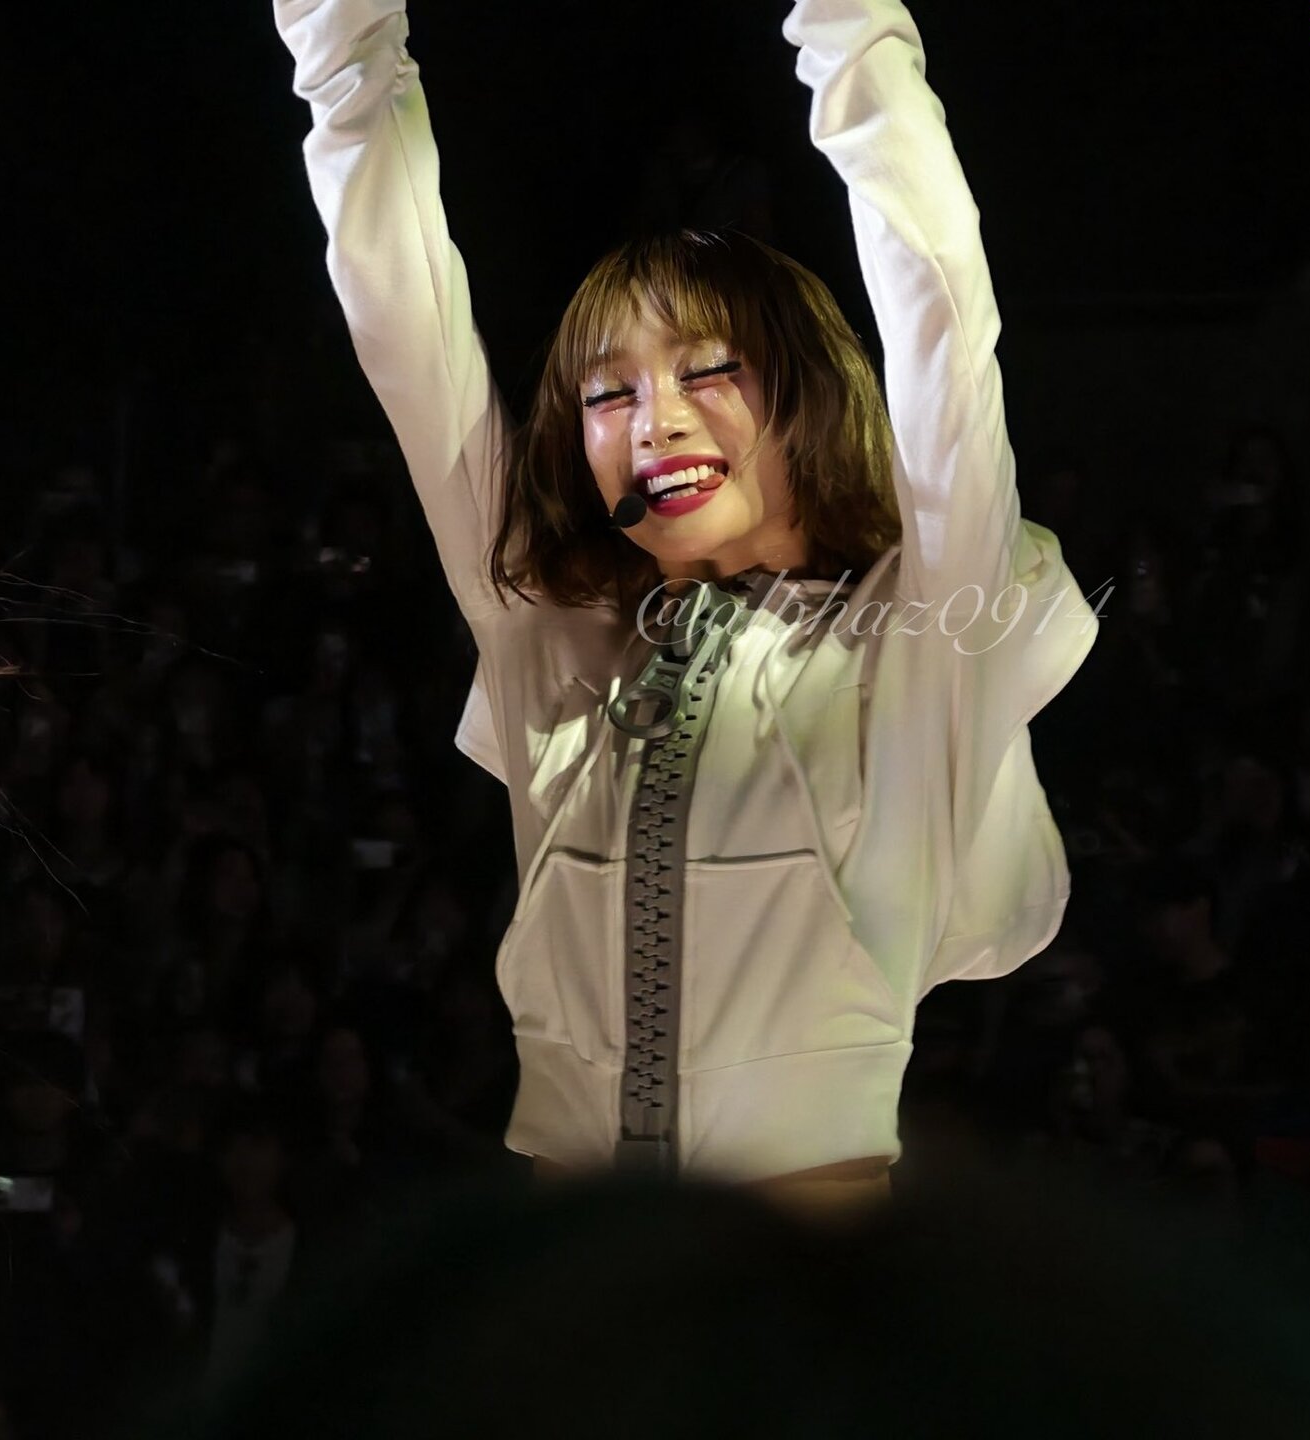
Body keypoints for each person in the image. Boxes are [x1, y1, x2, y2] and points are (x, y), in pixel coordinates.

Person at [275, 0, 1097, 1207]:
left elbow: (940, 311)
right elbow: (401, 322)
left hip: (811, 1274)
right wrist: (337, 39)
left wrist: (849, 29)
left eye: (709, 370)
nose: (654, 421)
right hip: (568, 1272)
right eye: (608, 394)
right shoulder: (544, 635)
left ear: (811, 396)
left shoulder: (920, 637)